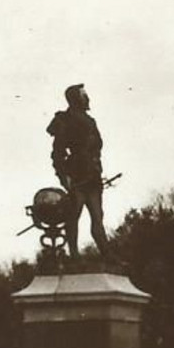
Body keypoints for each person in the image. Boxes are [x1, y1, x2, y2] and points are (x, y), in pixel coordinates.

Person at [47, 84, 109, 258]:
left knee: (98, 216)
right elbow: (57, 152)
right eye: (84, 95)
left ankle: (106, 252)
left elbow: (97, 146)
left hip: (93, 175)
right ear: (75, 98)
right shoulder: (64, 120)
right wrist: (63, 176)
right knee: (73, 216)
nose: (87, 98)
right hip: (77, 175)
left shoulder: (90, 121)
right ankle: (74, 255)